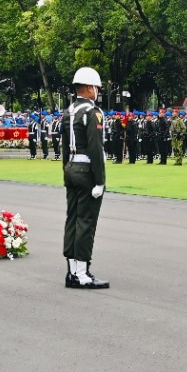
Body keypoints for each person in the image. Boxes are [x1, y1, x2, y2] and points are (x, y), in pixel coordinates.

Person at [62, 67, 109, 289]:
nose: (97, 91)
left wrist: (66, 170)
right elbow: (95, 148)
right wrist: (100, 180)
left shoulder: (70, 110)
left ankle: (72, 271)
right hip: (86, 171)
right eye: (97, 88)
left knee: (72, 219)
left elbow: (63, 146)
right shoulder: (93, 112)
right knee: (86, 222)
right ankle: (82, 274)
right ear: (90, 88)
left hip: (71, 167)